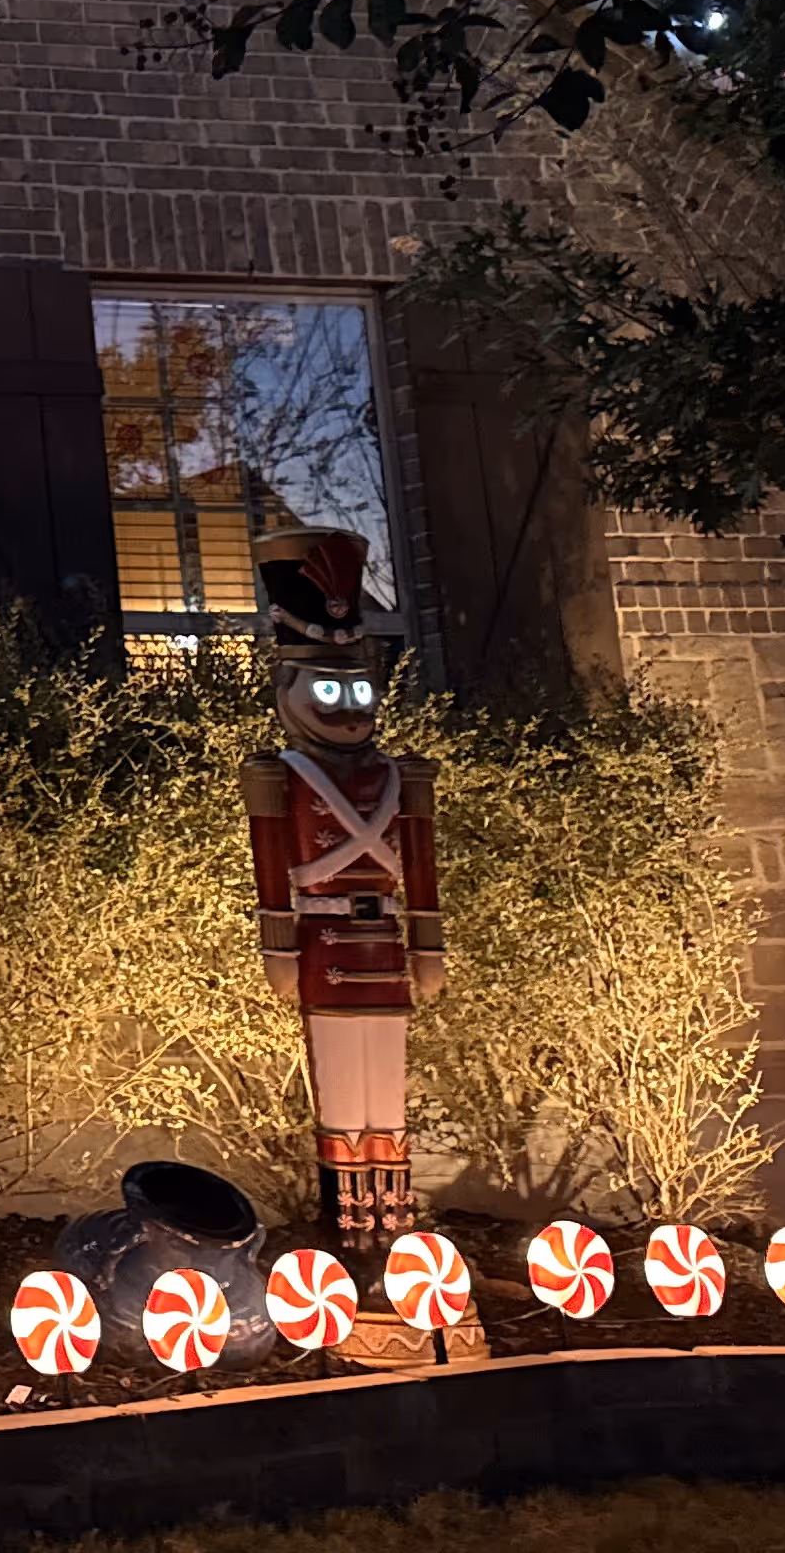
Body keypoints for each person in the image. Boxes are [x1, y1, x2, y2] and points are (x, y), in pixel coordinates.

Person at [244, 528, 443, 1247]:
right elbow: (274, 870)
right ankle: (349, 1214)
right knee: (340, 1082)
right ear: (287, 687)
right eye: (328, 688)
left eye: (359, 687)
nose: (350, 705)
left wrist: (427, 945)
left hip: (383, 943)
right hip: (323, 942)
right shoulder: (282, 776)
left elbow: (418, 865)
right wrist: (280, 948)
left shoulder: (400, 775)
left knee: (388, 1087)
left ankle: (392, 1210)